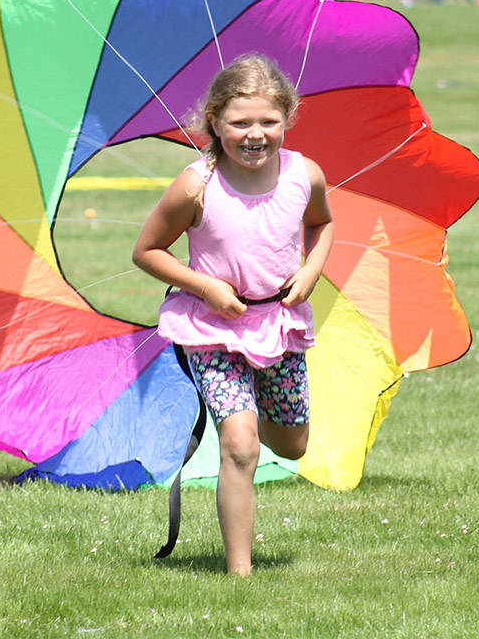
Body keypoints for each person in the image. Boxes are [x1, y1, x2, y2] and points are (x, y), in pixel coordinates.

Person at [132, 54, 334, 576]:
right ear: (215, 122)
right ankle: (240, 574)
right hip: (212, 329)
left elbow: (322, 225)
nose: (255, 134)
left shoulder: (304, 174)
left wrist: (311, 271)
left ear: (287, 119)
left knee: (291, 444)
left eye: (268, 121)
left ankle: (258, 416)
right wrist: (206, 286)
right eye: (240, 123)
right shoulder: (196, 184)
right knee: (240, 445)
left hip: (277, 326)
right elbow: (147, 250)